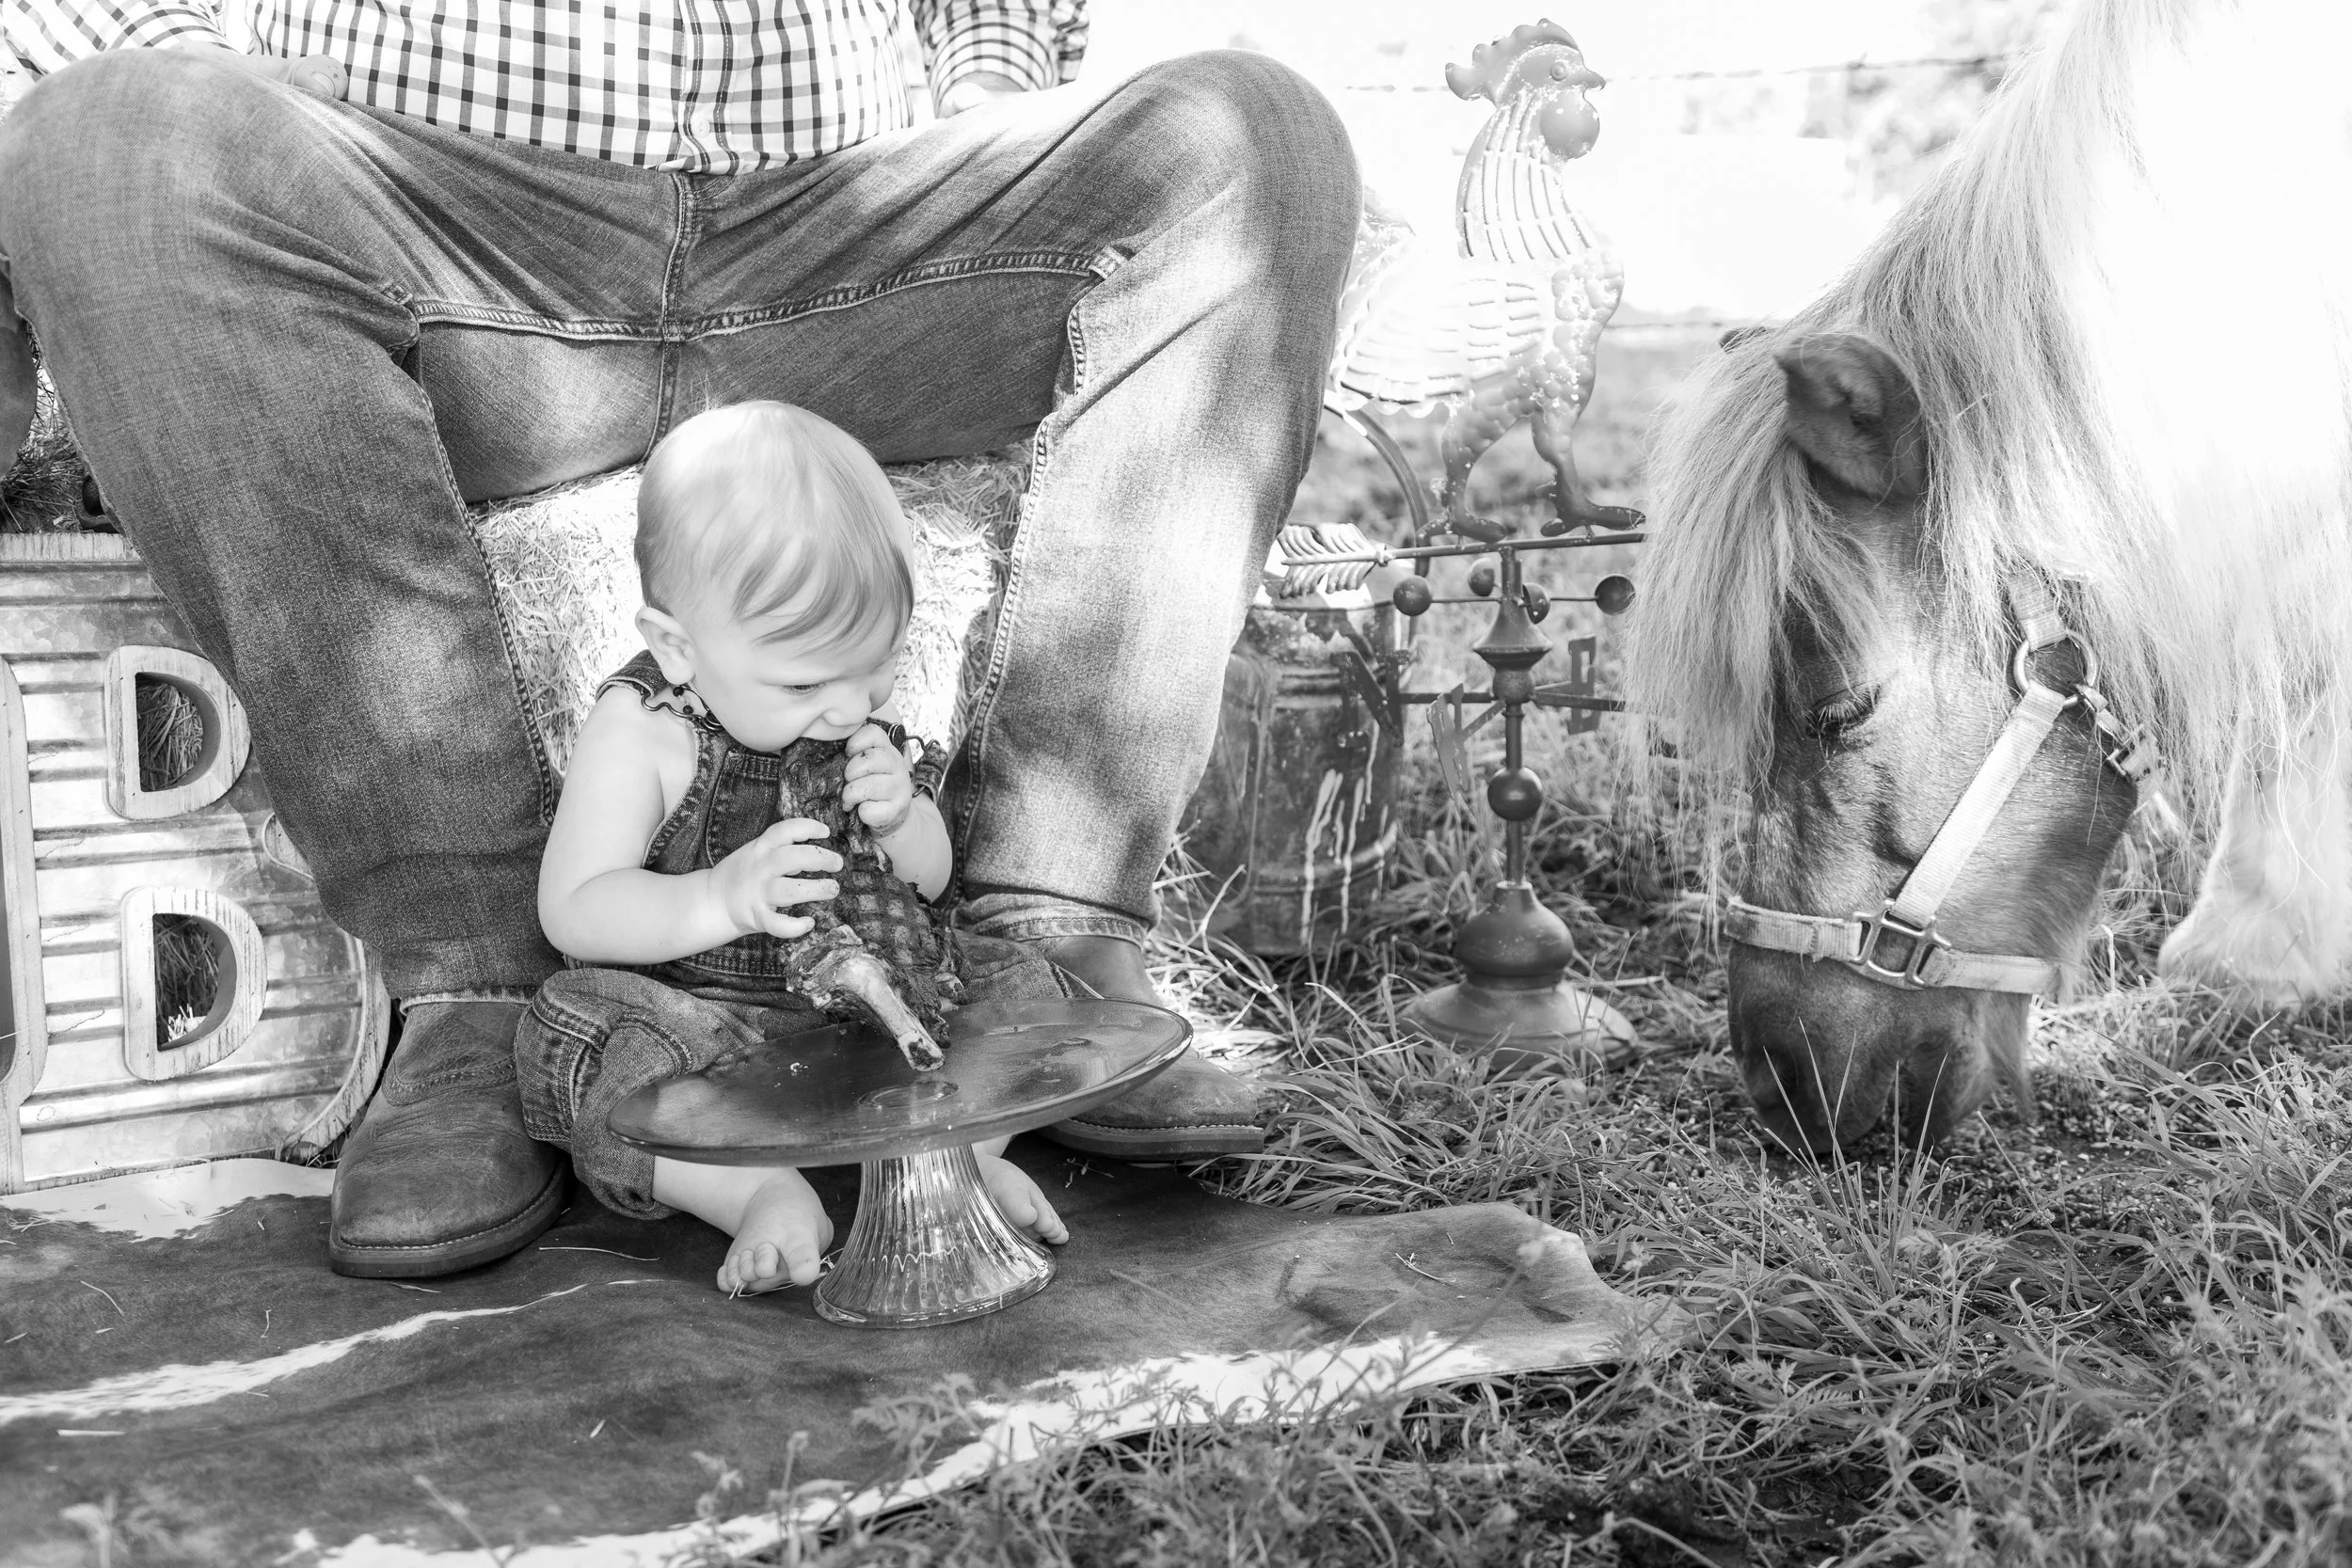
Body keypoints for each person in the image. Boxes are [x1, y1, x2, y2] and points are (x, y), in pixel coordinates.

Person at [0, 4, 1358, 1276]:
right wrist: (237, 105)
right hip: (430, 213)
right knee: (112, 145)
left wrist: (987, 96)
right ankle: (475, 987)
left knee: (1247, 143)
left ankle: (1045, 934)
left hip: (853, 230)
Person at [518, 401, 1071, 1294]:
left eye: (880, 663)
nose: (852, 707)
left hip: (868, 1026)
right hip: (708, 1037)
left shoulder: (846, 709)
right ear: (678, 647)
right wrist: (719, 898)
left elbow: (929, 885)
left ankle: (946, 1161)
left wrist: (902, 823)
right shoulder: (646, 729)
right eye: (808, 680)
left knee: (1018, 982)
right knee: (578, 1035)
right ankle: (759, 1193)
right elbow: (574, 909)